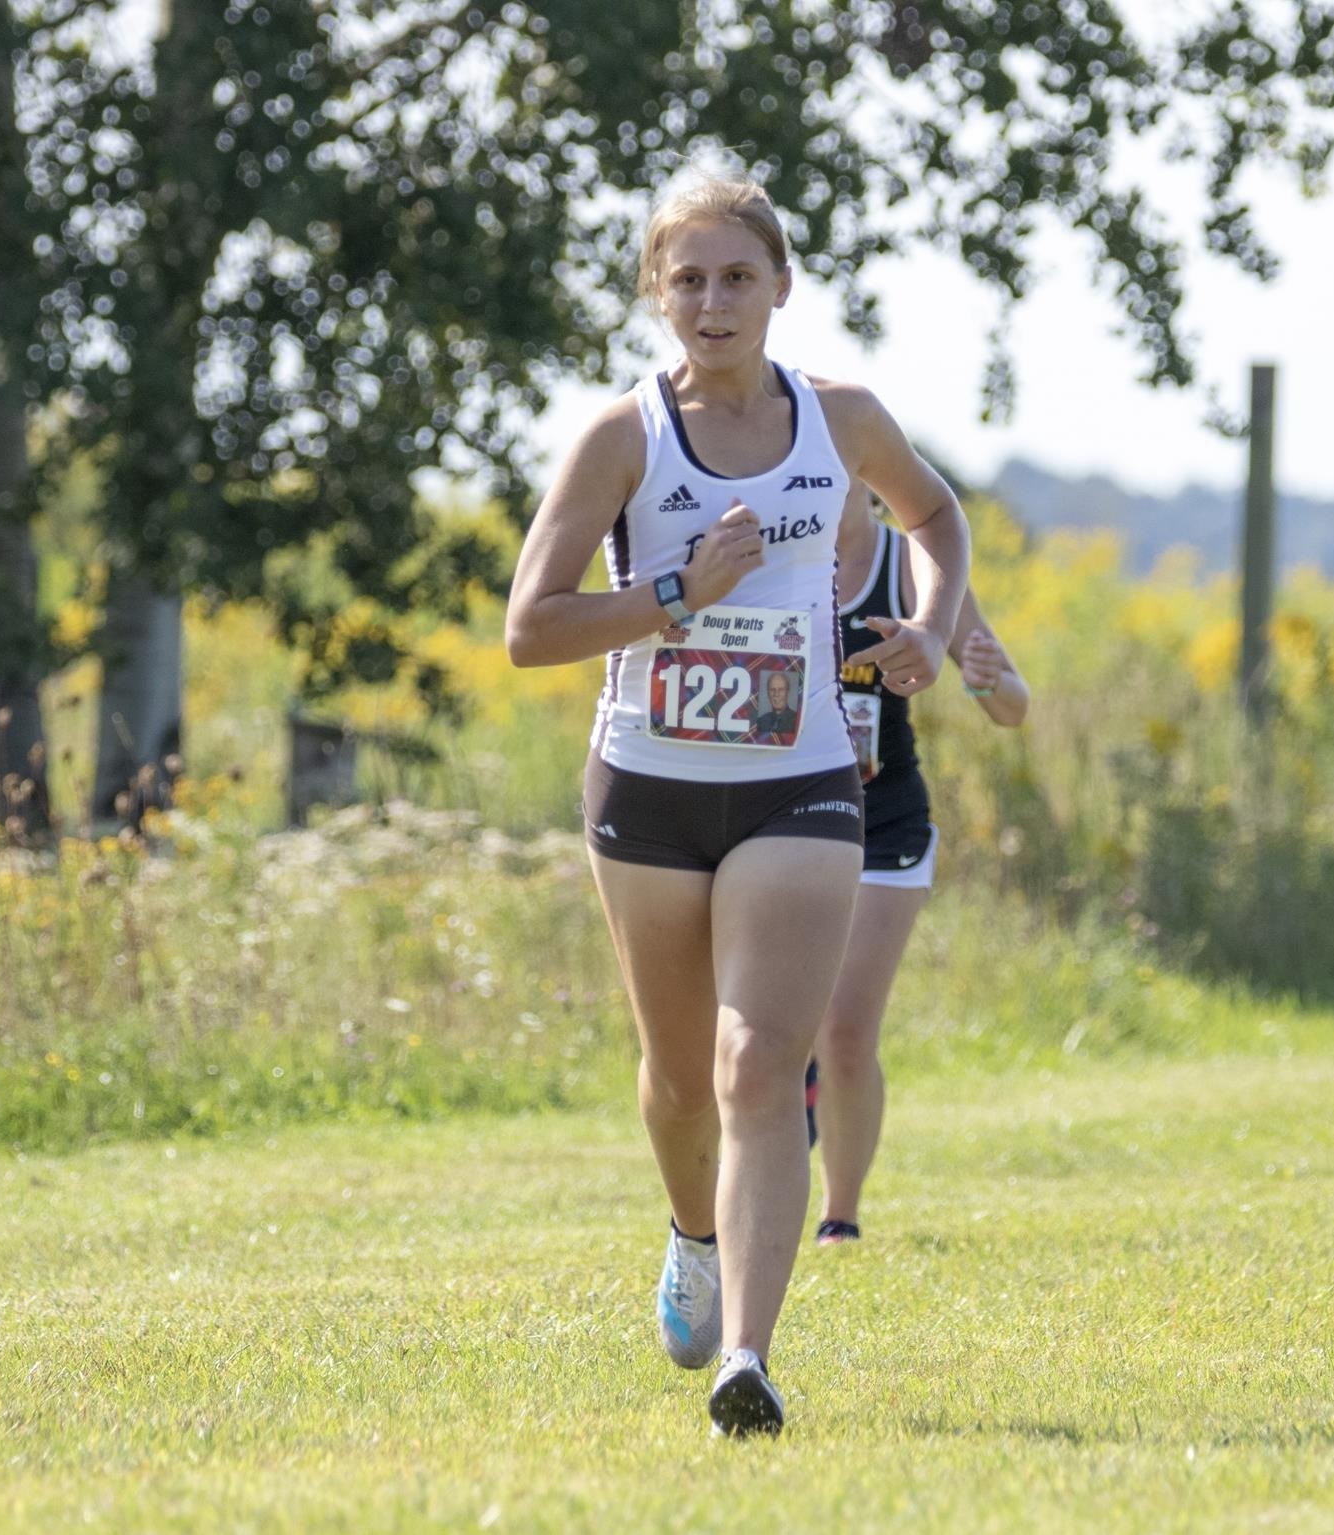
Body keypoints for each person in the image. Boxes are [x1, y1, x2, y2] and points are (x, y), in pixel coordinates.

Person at [505, 173, 971, 1437]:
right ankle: (690, 1233)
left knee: (759, 1062)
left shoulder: (841, 419)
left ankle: (746, 1359)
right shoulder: (623, 438)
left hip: (800, 780)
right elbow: (529, 628)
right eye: (687, 279)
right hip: (649, 790)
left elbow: (934, 514)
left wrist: (930, 629)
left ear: (780, 287)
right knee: (675, 1080)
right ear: (656, 294)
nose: (712, 302)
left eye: (736, 277)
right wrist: (676, 592)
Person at [808, 483, 1029, 1247]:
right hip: (782, 823)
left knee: (844, 1030)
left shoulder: (907, 564)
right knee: (769, 1025)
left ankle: (839, 1216)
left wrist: (986, 674)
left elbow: (1011, 704)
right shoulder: (774, 554)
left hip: (884, 826)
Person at [750, 669, 800, 738]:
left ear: (787, 692)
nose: (776, 694)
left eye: (781, 690)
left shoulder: (796, 721)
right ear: (768, 693)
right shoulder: (761, 721)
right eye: (772, 690)